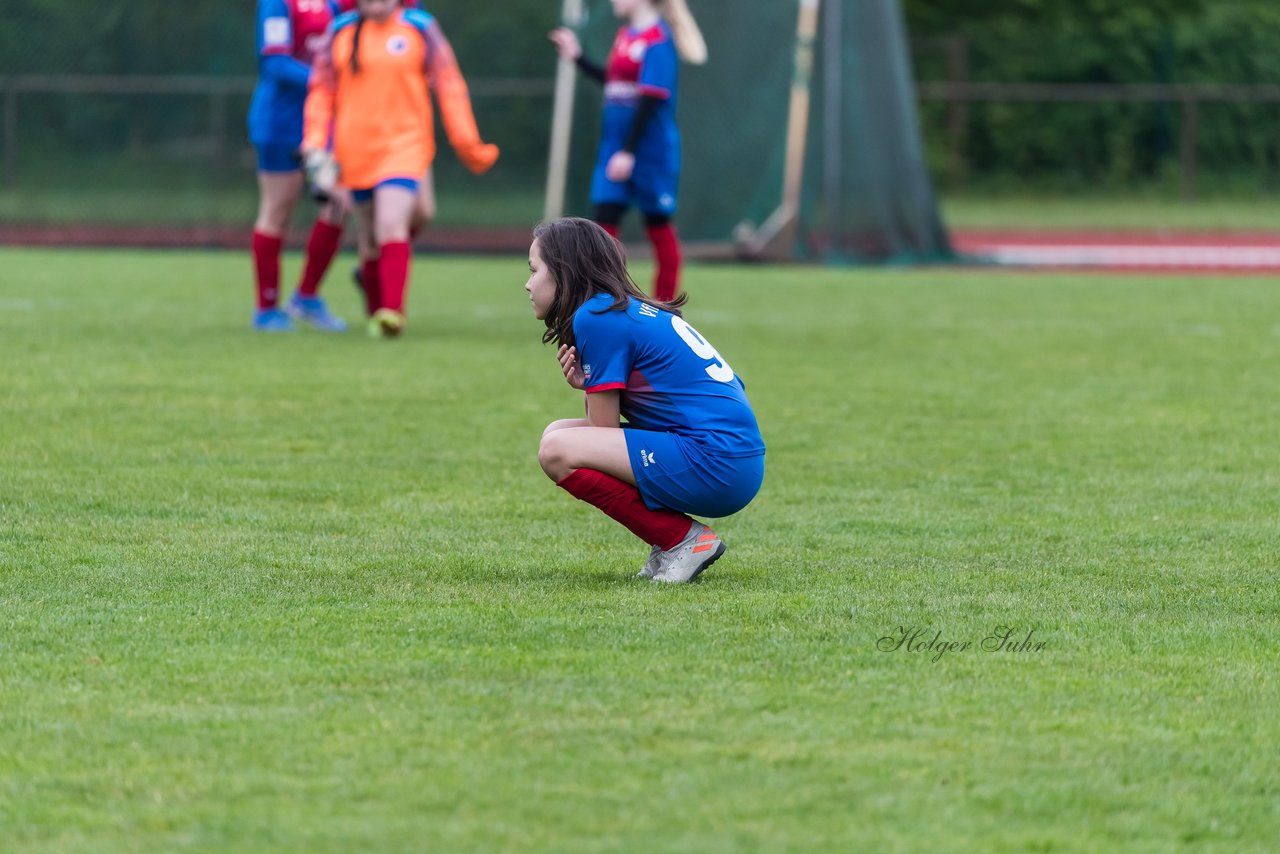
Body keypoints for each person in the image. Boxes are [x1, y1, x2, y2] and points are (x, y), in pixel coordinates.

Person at [525, 218, 765, 583]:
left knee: (557, 449)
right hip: (733, 456)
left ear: (564, 271)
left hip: (718, 461)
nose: (527, 284)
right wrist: (589, 386)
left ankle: (681, 540)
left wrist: (592, 390)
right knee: (556, 433)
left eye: (534, 270)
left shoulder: (596, 316)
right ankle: (669, 541)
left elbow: (602, 432)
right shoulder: (623, 308)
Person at [303, 0, 498, 338]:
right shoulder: (340, 30)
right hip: (356, 150)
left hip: (406, 146)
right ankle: (375, 307)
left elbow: (449, 84)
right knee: (371, 236)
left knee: (394, 223)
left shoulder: (420, 27)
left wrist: (469, 145)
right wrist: (315, 141)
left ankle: (392, 312)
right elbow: (321, 90)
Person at [549, 0, 706, 303]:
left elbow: (651, 99)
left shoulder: (657, 39)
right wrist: (577, 58)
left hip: (648, 154)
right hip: (615, 151)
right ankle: (606, 303)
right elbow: (614, 81)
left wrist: (629, 151)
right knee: (603, 228)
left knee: (658, 226)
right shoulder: (626, 36)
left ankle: (664, 309)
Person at [247, 0, 350, 333]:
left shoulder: (333, 4)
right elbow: (275, 63)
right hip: (280, 121)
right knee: (278, 210)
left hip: (322, 125)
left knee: (337, 203)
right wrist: (326, 81)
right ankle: (266, 308)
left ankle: (306, 297)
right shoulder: (278, 3)